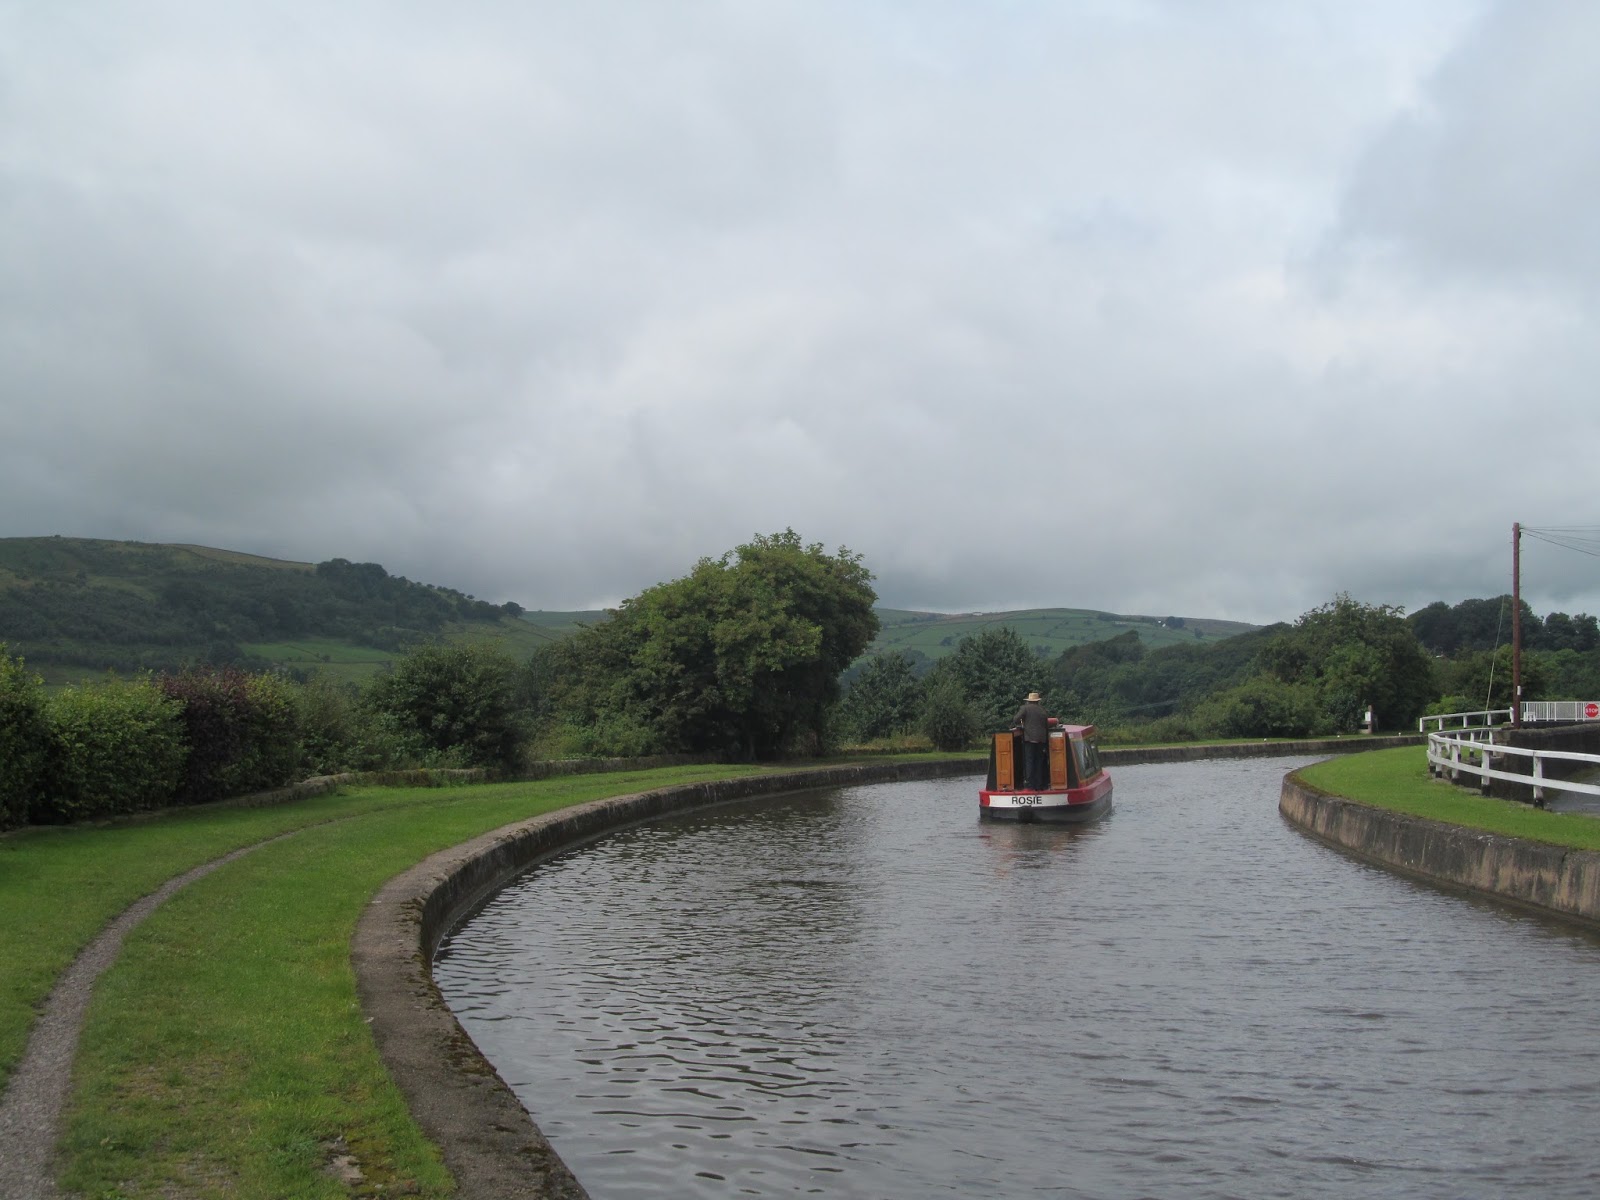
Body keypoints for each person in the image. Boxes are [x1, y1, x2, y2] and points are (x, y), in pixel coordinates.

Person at [1012, 690, 1048, 790]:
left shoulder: (1025, 708)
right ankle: (1039, 784)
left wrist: (1022, 723)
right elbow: (1046, 725)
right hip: (1041, 739)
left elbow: (1015, 719)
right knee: (1039, 761)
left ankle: (1029, 784)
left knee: (1029, 761)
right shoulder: (1042, 710)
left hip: (1030, 738)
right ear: (1037, 701)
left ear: (1029, 701)